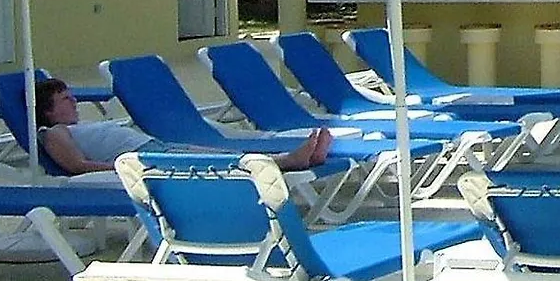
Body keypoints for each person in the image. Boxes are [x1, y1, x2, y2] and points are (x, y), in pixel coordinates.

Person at [34, 77, 335, 177]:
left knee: (218, 157)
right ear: (48, 111)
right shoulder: (54, 133)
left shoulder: (76, 128)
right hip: (144, 159)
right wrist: (126, 168)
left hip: (152, 148)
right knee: (214, 164)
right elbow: (77, 166)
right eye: (65, 99)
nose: (74, 101)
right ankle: (289, 161)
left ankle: (289, 159)